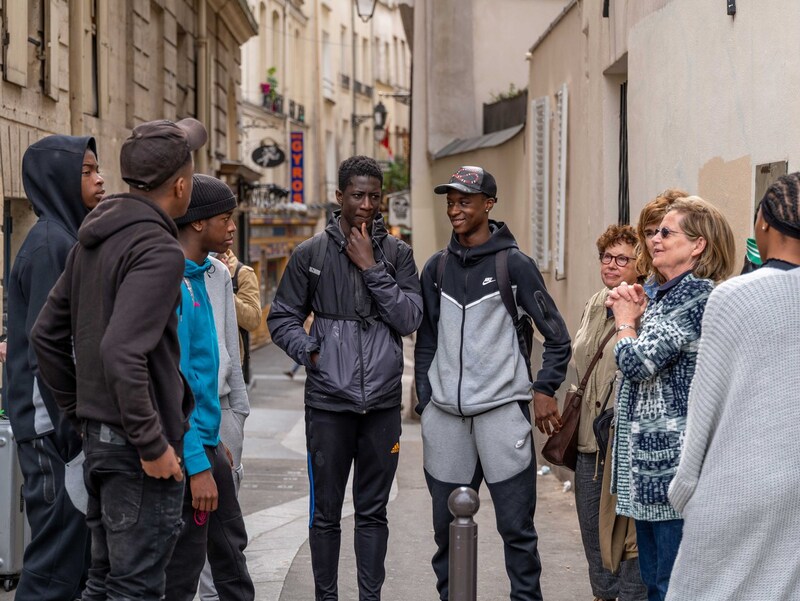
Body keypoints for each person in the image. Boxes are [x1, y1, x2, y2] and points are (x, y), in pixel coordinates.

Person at [31, 118, 207, 601]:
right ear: (180, 184)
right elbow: (121, 350)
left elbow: (44, 337)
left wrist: (83, 411)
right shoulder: (158, 247)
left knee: (105, 582)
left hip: (103, 442)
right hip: (134, 452)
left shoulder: (96, 236)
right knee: (135, 589)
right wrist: (152, 446)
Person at [267, 155, 422, 600]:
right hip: (327, 404)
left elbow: (410, 318)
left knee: (373, 513)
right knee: (326, 514)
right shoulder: (310, 254)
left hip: (381, 407)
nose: (367, 204)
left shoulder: (397, 254)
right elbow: (282, 318)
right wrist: (310, 351)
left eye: (375, 196)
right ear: (340, 197)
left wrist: (372, 267)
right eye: (358, 195)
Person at [414, 165, 572, 601]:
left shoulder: (514, 265)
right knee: (445, 535)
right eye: (450, 200)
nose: (455, 208)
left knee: (516, 531)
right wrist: (426, 401)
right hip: (446, 420)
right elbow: (426, 339)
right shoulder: (437, 268)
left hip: (502, 415)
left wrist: (543, 390)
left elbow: (557, 338)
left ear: (489, 204)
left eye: (465, 200)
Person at [666, 174, 800, 601]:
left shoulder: (735, 297)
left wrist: (684, 487)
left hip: (737, 485)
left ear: (762, 223)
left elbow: (704, 404)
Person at [606, 196, 735, 601]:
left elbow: (639, 362)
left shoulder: (696, 297)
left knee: (671, 586)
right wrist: (637, 314)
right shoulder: (661, 294)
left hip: (672, 471)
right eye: (655, 232)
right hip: (649, 468)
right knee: (654, 581)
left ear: (698, 245)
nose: (655, 239)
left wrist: (626, 323)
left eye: (667, 232)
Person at [6, 135, 103, 600]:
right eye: (87, 172)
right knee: (54, 564)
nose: (100, 179)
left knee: (74, 560)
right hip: (53, 431)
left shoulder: (67, 238)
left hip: (61, 427)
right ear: (60, 179)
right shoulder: (50, 245)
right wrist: (72, 430)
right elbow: (52, 346)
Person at [164, 174, 254, 600]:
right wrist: (198, 459)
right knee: (185, 564)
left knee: (232, 552)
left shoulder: (214, 273)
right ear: (198, 222)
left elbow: (226, 355)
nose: (233, 227)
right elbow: (175, 381)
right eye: (226, 218)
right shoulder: (167, 280)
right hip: (186, 446)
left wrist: (234, 418)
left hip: (214, 433)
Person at [572, 224, 646, 601]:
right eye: (607, 256)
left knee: (626, 543)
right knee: (593, 541)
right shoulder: (593, 302)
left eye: (622, 259)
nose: (612, 265)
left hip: (621, 451)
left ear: (640, 265)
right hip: (588, 445)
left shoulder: (643, 308)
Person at [634, 189, 688, 298]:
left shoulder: (696, 290)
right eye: (649, 233)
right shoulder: (647, 288)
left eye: (664, 232)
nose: (655, 239)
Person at [219, 247, 262, 382]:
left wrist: (223, 284)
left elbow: (253, 319)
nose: (232, 228)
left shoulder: (242, 273)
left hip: (229, 362)